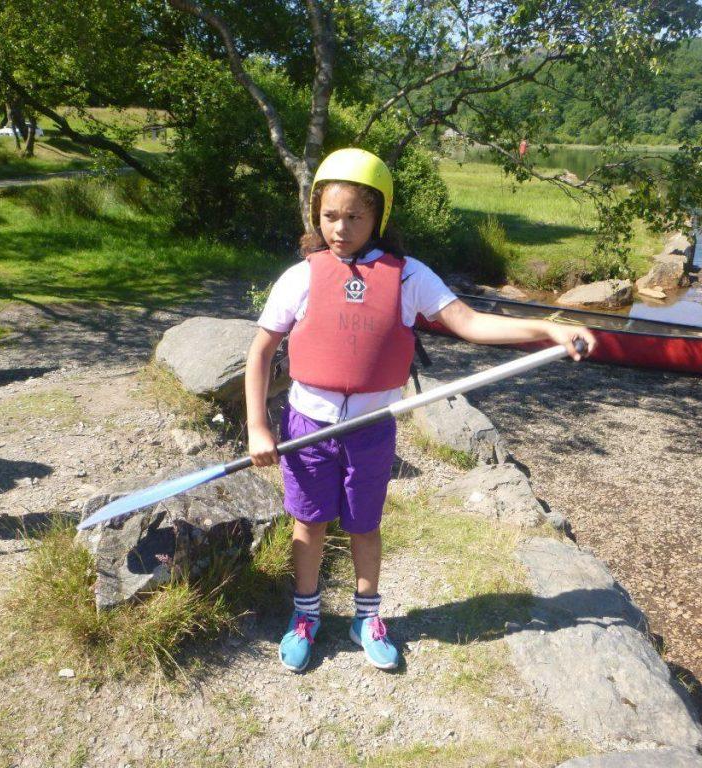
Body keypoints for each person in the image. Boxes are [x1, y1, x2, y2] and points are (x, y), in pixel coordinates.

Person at [244, 148, 596, 673]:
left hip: (371, 429)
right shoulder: (301, 277)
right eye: (329, 215)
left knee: (365, 525)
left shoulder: (409, 277)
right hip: (307, 426)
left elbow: (470, 323)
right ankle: (305, 615)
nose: (340, 228)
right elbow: (261, 351)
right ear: (316, 214)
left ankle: (366, 617)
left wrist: (549, 328)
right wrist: (257, 426)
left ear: (379, 217)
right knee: (309, 524)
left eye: (355, 216)